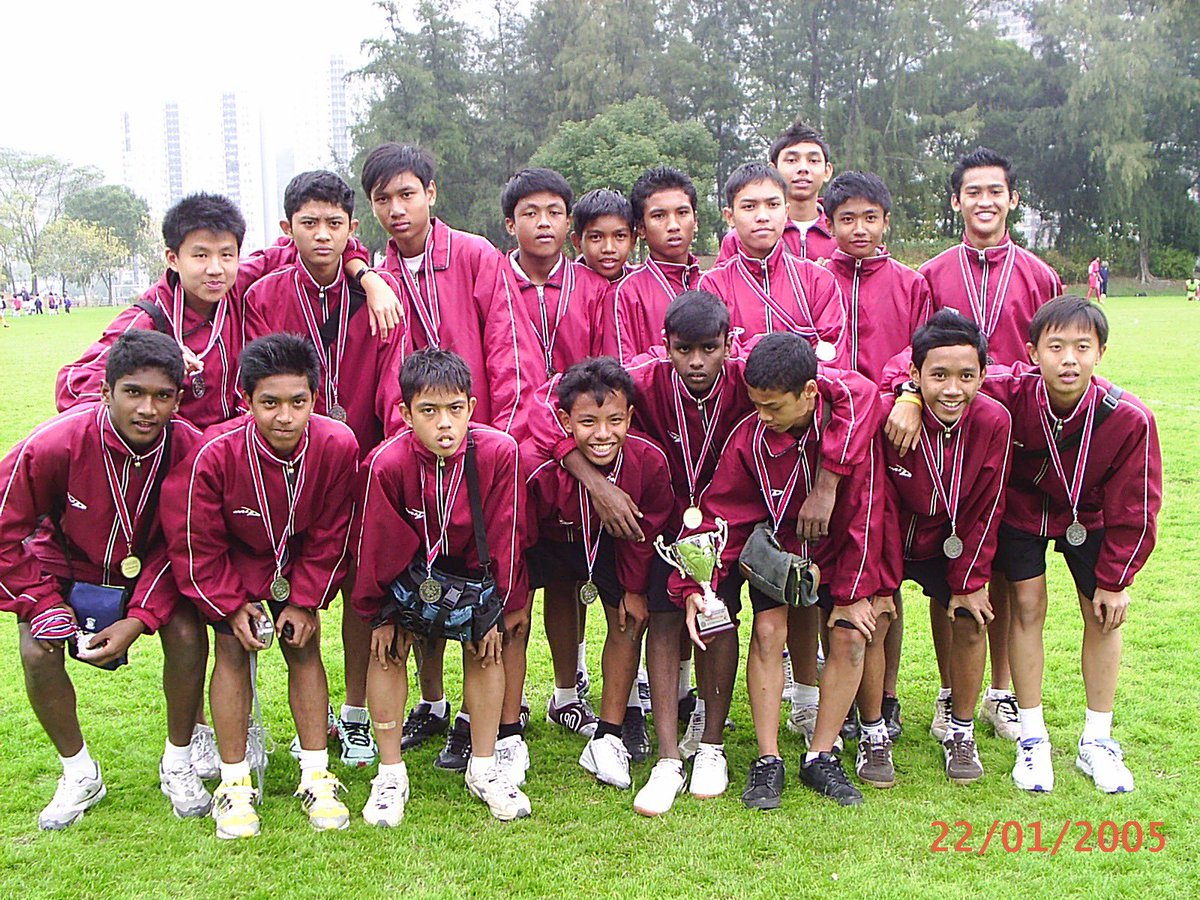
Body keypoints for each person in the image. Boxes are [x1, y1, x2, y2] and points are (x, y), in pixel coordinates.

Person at [364, 142, 542, 760]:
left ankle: (483, 719)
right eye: (382, 199)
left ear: (431, 193)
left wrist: (500, 447)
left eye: (406, 193)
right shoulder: (376, 277)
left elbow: (510, 353)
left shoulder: (475, 256)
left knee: (483, 583)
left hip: (481, 453)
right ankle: (433, 704)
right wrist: (365, 275)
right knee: (422, 579)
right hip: (412, 456)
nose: (396, 208)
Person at [0, 330, 210, 829]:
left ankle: (178, 759)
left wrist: (139, 619)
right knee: (36, 649)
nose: (147, 409)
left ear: (178, 399)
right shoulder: (55, 442)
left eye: (163, 396)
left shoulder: (190, 448)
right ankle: (79, 772)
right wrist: (41, 601)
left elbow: (188, 543)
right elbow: (4, 530)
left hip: (152, 570)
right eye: (133, 392)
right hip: (65, 569)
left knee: (185, 631)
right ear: (106, 390)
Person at [670, 333, 883, 809]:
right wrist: (693, 584)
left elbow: (868, 512)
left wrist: (854, 591)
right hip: (780, 556)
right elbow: (719, 510)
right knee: (768, 631)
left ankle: (820, 756)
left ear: (810, 392)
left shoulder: (847, 429)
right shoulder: (750, 437)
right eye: (757, 405)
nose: (763, 417)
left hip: (843, 550)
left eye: (773, 407)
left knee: (850, 634)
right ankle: (768, 759)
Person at [242, 171, 409, 766]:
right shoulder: (263, 296)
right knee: (286, 590)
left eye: (334, 223)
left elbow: (395, 379)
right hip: (291, 467)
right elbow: (260, 384)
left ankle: (357, 714)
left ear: (351, 229)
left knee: (365, 593)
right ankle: (277, 721)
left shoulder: (379, 296)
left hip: (362, 464)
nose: (322, 235)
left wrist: (390, 452)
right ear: (288, 230)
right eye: (308, 223)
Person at [163, 334, 359, 838]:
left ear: (316, 398)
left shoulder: (339, 444)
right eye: (270, 403)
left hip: (297, 571)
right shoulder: (214, 453)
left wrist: (306, 599)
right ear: (245, 401)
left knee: (303, 646)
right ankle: (233, 782)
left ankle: (316, 772)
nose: (286, 416)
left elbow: (333, 530)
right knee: (229, 651)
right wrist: (230, 605)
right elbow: (197, 542)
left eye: (299, 402)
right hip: (235, 570)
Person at [917, 147, 1062, 742]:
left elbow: (1062, 349)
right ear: (956, 201)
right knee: (949, 561)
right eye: (972, 191)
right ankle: (953, 689)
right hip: (951, 434)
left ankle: (1000, 690)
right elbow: (915, 353)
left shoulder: (1040, 275)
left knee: (1003, 561)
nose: (984, 201)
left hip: (1023, 437)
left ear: (1013, 199)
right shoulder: (932, 274)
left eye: (995, 191)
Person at [352, 348, 532, 822]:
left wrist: (494, 610)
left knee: (487, 647)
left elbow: (505, 534)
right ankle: (390, 773)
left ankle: (485, 766)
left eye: (455, 409)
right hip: (410, 576)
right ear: (405, 412)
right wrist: (383, 615)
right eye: (428, 412)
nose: (444, 424)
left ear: (472, 407)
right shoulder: (385, 464)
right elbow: (378, 545)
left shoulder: (498, 452)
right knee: (386, 649)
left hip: (473, 574)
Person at [57, 193, 402, 430]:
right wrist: (154, 360)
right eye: (200, 255)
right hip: (175, 461)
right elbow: (71, 386)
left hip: (238, 455)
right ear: (173, 259)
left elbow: (317, 244)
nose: (215, 268)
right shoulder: (149, 317)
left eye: (226, 254)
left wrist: (367, 275)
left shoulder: (238, 284)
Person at [817, 171, 933, 743]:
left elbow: (925, 355)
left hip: (893, 441)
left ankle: (885, 699)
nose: (859, 229)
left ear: (887, 221)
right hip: (829, 445)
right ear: (828, 222)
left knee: (887, 574)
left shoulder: (910, 284)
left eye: (870, 217)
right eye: (846, 219)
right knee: (834, 571)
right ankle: (830, 693)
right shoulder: (813, 280)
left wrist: (907, 395)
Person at [874, 312, 1011, 788]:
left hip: (951, 543)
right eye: (938, 376)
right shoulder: (892, 415)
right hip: (895, 537)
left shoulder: (994, 420)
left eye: (966, 376)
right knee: (877, 611)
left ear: (982, 375)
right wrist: (880, 578)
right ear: (914, 375)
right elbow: (878, 504)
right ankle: (877, 723)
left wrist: (970, 581)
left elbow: (988, 504)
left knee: (973, 615)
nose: (953, 389)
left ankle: (960, 727)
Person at [525, 357, 674, 793]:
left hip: (609, 545)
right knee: (515, 620)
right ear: (567, 419)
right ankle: (505, 732)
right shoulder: (537, 464)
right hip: (548, 538)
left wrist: (631, 588)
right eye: (588, 422)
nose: (603, 433)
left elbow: (641, 533)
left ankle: (608, 735)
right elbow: (517, 530)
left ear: (630, 416)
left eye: (614, 420)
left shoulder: (648, 462)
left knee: (629, 617)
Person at [699, 163, 845, 354]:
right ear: (730, 216)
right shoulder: (713, 285)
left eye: (773, 205)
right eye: (749, 206)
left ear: (786, 212)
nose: (762, 216)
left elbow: (832, 354)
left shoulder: (818, 280)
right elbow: (713, 356)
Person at [501, 166, 611, 376]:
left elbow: (603, 367)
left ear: (568, 222)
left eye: (554, 213)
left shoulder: (594, 288)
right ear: (511, 225)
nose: (544, 223)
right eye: (531, 213)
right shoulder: (495, 285)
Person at [608, 166, 703, 363]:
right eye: (659, 216)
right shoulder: (626, 294)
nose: (673, 225)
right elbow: (622, 372)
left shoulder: (712, 284)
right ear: (641, 228)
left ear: (695, 221)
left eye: (682, 213)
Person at [716, 120, 838, 265]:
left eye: (813, 160)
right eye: (792, 160)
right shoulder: (742, 237)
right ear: (773, 170)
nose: (803, 168)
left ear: (827, 171)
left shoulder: (843, 233)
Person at [570, 188, 636, 285]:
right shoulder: (566, 286)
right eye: (596, 237)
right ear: (577, 242)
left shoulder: (641, 285)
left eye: (620, 236)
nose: (608, 249)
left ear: (632, 240)